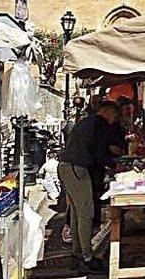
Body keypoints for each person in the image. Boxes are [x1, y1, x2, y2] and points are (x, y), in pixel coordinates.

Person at [58, 100, 121, 273]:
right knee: (86, 212)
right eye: (114, 115)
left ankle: (78, 252)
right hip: (76, 167)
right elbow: (100, 154)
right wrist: (116, 165)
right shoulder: (99, 124)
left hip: (67, 166)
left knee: (78, 212)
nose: (114, 119)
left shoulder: (87, 121)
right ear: (108, 112)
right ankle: (87, 256)